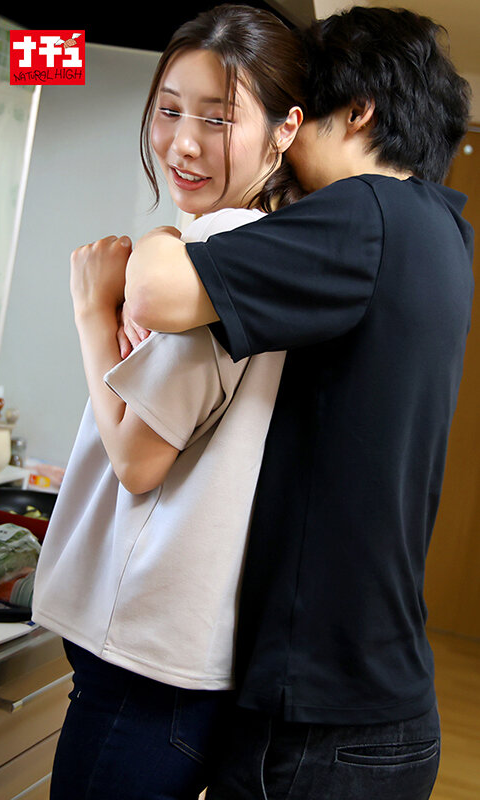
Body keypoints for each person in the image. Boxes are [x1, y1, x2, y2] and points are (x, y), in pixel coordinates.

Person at [116, 6, 475, 799]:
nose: (287, 131)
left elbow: (154, 292)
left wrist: (171, 236)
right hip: (384, 709)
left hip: (321, 722)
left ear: (359, 111)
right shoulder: (444, 232)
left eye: (301, 111)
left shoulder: (366, 211)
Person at [31, 5, 306, 799]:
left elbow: (137, 460)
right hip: (178, 664)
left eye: (217, 119)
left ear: (285, 130)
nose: (183, 143)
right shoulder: (276, 250)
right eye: (169, 110)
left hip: (141, 672)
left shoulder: (218, 255)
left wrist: (91, 308)